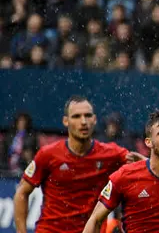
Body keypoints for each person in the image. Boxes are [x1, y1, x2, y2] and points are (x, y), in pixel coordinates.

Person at [13, 96, 143, 233]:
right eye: (76, 116)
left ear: (94, 119)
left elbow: (148, 168)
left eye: (88, 116)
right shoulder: (48, 154)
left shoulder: (111, 153)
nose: (83, 121)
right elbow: (22, 192)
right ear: (65, 121)